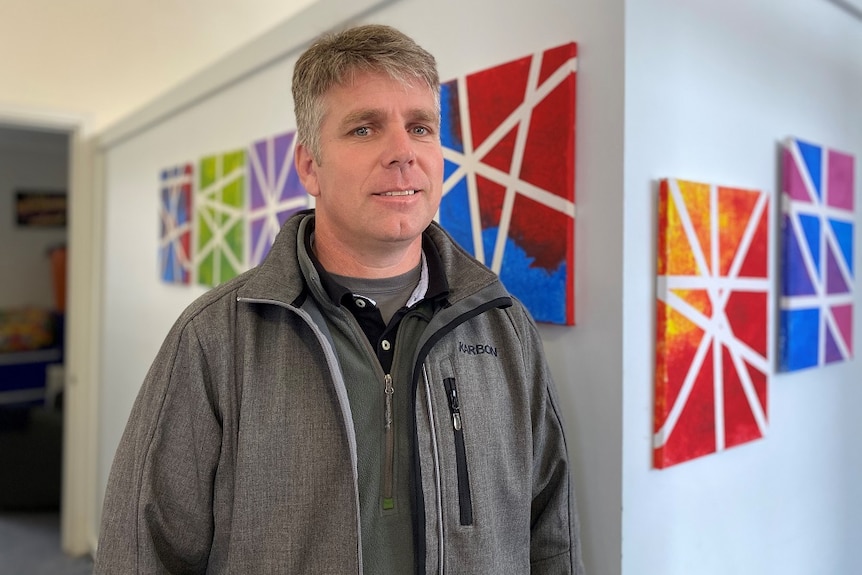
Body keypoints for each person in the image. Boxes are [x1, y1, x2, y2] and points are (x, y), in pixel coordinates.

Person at [95, 24, 584, 574]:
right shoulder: (216, 338)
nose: (403, 153)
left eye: (420, 127)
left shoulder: (503, 326)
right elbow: (140, 551)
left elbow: (550, 535)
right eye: (364, 129)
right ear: (309, 166)